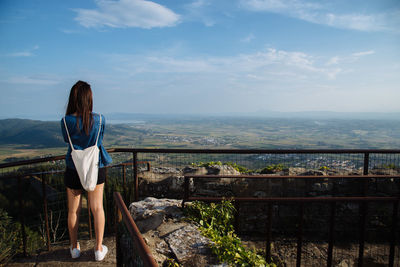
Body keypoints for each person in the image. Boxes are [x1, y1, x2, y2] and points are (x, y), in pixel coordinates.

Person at [60, 81, 112, 261]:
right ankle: (98, 249)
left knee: (73, 210)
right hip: (96, 166)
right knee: (97, 208)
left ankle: (74, 248)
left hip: (73, 167)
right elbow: (99, 140)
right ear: (89, 98)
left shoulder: (66, 121)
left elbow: (68, 141)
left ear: (73, 99)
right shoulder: (99, 119)